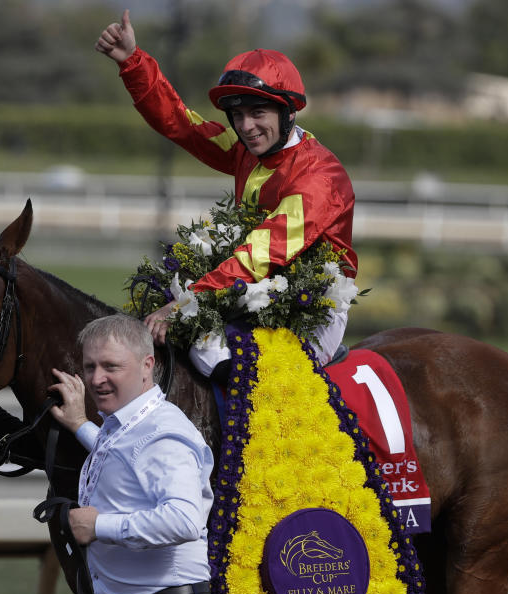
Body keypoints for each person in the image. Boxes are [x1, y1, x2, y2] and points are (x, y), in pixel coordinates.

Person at [96, 9, 358, 380]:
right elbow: (181, 124)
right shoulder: (246, 151)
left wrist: (186, 302)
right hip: (249, 284)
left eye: (258, 112)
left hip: (313, 304)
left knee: (225, 362)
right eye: (238, 115)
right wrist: (132, 62)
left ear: (288, 113)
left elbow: (263, 251)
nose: (246, 127)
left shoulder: (320, 178)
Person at [47, 314, 215, 594]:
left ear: (147, 365)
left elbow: (184, 520)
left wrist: (98, 526)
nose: (97, 379)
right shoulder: (132, 426)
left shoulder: (163, 431)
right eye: (90, 366)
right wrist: (80, 424)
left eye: (111, 367)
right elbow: (126, 457)